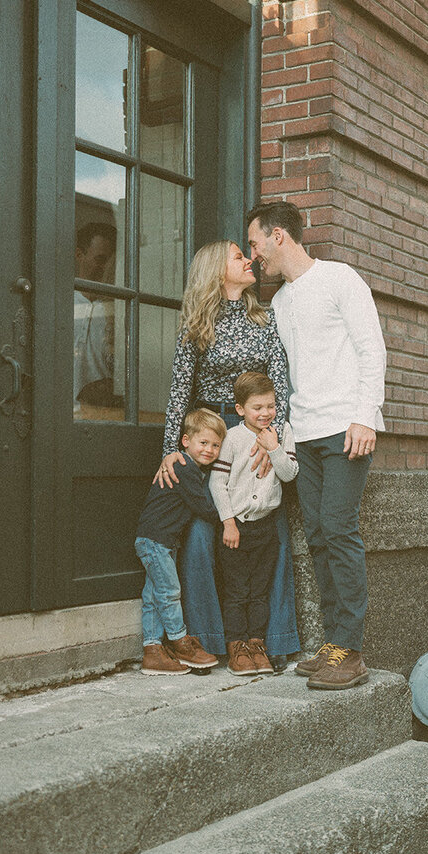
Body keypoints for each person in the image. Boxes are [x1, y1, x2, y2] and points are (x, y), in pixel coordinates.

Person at [247, 200, 387, 690]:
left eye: (255, 241)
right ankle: (333, 644)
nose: (253, 252)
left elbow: (372, 347)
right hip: (303, 435)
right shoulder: (282, 302)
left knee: (338, 528)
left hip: (346, 429)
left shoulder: (340, 279)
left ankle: (350, 651)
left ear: (279, 235)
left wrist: (365, 415)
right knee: (320, 537)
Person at [155, 240, 299, 668]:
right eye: (239, 256)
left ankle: (269, 639)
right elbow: (180, 391)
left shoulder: (263, 318)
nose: (249, 259)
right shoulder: (198, 326)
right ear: (218, 271)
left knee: (271, 533)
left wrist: (268, 434)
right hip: (210, 438)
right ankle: (212, 640)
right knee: (203, 534)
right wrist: (170, 451)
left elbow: (280, 382)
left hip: (257, 434)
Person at [209, 372, 299, 676]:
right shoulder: (233, 438)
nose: (265, 413)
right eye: (257, 407)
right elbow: (217, 483)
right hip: (237, 528)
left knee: (260, 591)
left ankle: (257, 644)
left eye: (270, 406)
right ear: (240, 409)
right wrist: (228, 523)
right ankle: (237, 647)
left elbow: (288, 474)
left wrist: (274, 447)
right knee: (237, 591)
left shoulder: (282, 432)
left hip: (265, 528)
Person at [134, 408, 226, 675]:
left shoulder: (188, 467)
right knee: (170, 592)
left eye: (216, 445)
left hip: (159, 541)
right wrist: (228, 518)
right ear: (186, 441)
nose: (209, 450)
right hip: (156, 541)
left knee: (153, 595)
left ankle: (152, 651)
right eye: (203, 443)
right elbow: (204, 506)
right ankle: (179, 641)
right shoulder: (184, 468)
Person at [74, 221, 118, 412]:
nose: (105, 268)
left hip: (104, 414)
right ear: (79, 255)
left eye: (110, 262)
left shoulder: (119, 310)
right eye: (100, 260)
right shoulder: (59, 305)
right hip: (60, 415)